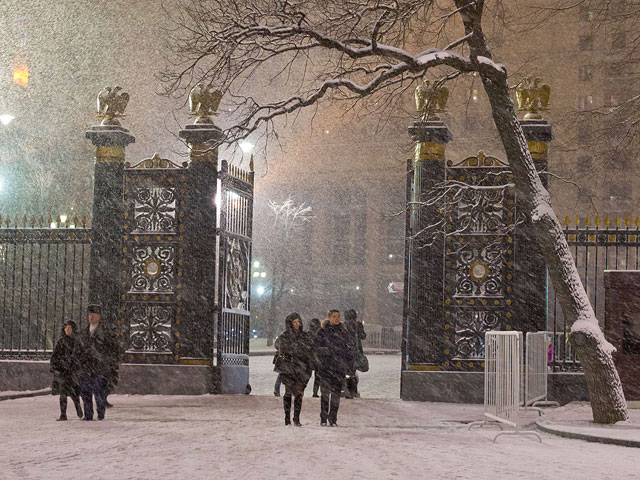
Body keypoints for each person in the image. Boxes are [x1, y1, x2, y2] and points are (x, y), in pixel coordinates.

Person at [314, 309, 354, 427]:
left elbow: (348, 349)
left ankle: (333, 418)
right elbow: (316, 348)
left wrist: (346, 361)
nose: (336, 319)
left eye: (338, 316)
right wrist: (327, 352)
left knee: (336, 394)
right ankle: (323, 418)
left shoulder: (343, 332)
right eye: (334, 316)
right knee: (325, 394)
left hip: (338, 368)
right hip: (326, 367)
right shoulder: (322, 332)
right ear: (329, 318)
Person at [274, 312, 313, 426]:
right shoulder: (285, 336)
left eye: (298, 322)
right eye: (294, 322)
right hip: (289, 367)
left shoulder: (304, 336)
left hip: (301, 367)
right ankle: (287, 418)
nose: (297, 324)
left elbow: (309, 349)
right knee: (288, 391)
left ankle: (296, 418)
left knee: (299, 392)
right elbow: (279, 346)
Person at [79, 304, 117, 421]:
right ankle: (88, 415)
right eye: (89, 315)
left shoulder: (105, 332)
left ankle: (100, 413)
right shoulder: (83, 332)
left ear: (99, 316)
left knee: (98, 391)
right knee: (85, 392)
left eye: (93, 315)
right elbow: (78, 349)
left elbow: (112, 349)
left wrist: (106, 361)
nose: (91, 317)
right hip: (85, 367)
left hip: (99, 367)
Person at [50, 320, 83, 421]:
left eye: (69, 328)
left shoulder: (77, 341)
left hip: (72, 372)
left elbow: (80, 355)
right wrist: (54, 366)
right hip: (63, 371)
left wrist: (75, 365)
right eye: (66, 328)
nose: (67, 330)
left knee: (74, 394)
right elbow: (55, 355)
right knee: (63, 393)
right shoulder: (61, 341)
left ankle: (78, 407)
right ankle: (63, 414)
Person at [343, 309, 366, 399]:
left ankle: (346, 388)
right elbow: (363, 336)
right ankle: (353, 389)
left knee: (346, 370)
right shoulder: (358, 325)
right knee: (353, 370)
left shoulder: (343, 325)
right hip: (356, 350)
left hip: (345, 350)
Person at [308, 318, 322, 397]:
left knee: (307, 375)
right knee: (318, 376)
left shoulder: (308, 334)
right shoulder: (320, 334)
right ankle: (315, 392)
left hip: (309, 357)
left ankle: (299, 390)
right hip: (317, 357)